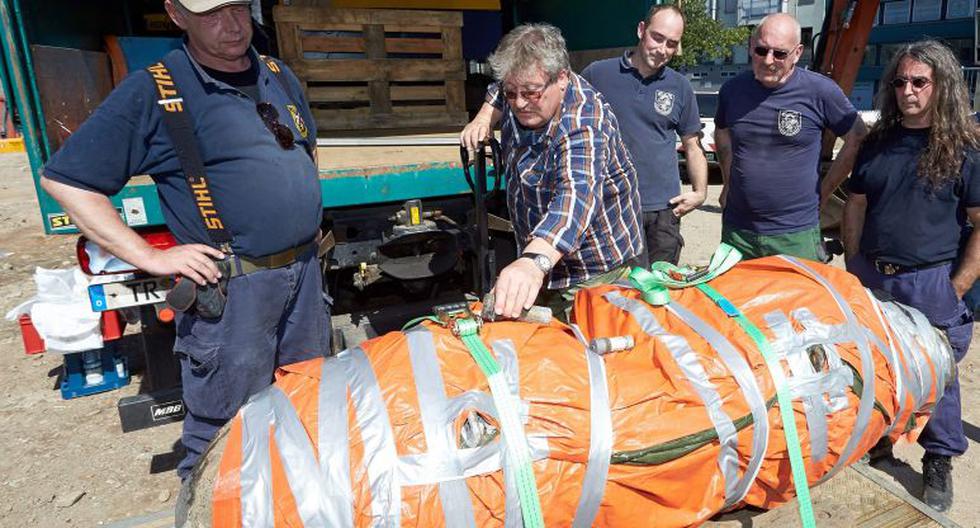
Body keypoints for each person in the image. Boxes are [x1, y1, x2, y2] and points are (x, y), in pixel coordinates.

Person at [39, 0, 330, 486]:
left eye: (238, 7)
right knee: (225, 428)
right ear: (177, 15)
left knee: (308, 403)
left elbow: (306, 149)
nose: (233, 24)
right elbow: (66, 181)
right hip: (234, 290)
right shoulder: (156, 89)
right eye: (212, 13)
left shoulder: (277, 74)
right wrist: (151, 255)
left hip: (303, 276)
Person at [842, 40, 979, 512]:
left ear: (941, 85)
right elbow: (856, 203)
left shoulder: (964, 147)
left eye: (919, 81)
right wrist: (854, 261)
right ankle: (878, 441)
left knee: (936, 377)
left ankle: (939, 458)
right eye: (899, 82)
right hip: (874, 279)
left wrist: (955, 287)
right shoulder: (878, 142)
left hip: (930, 283)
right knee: (879, 366)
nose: (907, 91)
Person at [460, 23, 643, 320]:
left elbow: (576, 196)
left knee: (588, 355)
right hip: (542, 258)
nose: (519, 103)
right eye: (511, 93)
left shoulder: (584, 121)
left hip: (592, 271)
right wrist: (483, 118)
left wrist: (532, 262)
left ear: (562, 78)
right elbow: (499, 89)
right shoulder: (520, 86)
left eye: (530, 93)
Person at [714, 12, 867, 260]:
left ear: (797, 53)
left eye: (780, 53)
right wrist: (728, 181)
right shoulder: (732, 90)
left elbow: (858, 136)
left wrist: (825, 193)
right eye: (761, 50)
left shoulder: (820, 91)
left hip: (795, 235)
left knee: (800, 300)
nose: (768, 60)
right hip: (738, 232)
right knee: (736, 299)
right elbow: (721, 133)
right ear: (751, 46)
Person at [581, 4, 707, 267]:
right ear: (641, 30)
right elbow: (557, 102)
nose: (662, 49)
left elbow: (692, 145)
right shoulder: (598, 74)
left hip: (665, 210)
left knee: (661, 289)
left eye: (671, 44)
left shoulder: (680, 86)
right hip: (616, 206)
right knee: (623, 293)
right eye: (657, 38)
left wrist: (700, 192)